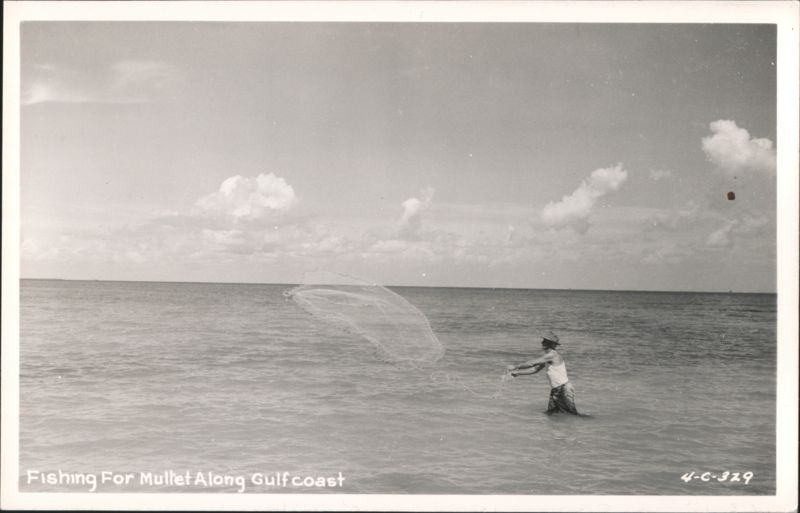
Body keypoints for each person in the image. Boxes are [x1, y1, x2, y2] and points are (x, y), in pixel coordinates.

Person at [507, 331, 580, 415]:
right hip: (556, 390)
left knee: (573, 415)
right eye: (543, 341)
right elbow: (534, 369)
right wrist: (517, 373)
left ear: (552, 344)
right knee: (551, 415)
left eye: (545, 341)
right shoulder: (547, 357)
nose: (542, 342)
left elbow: (532, 363)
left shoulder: (552, 355)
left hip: (564, 389)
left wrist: (516, 366)